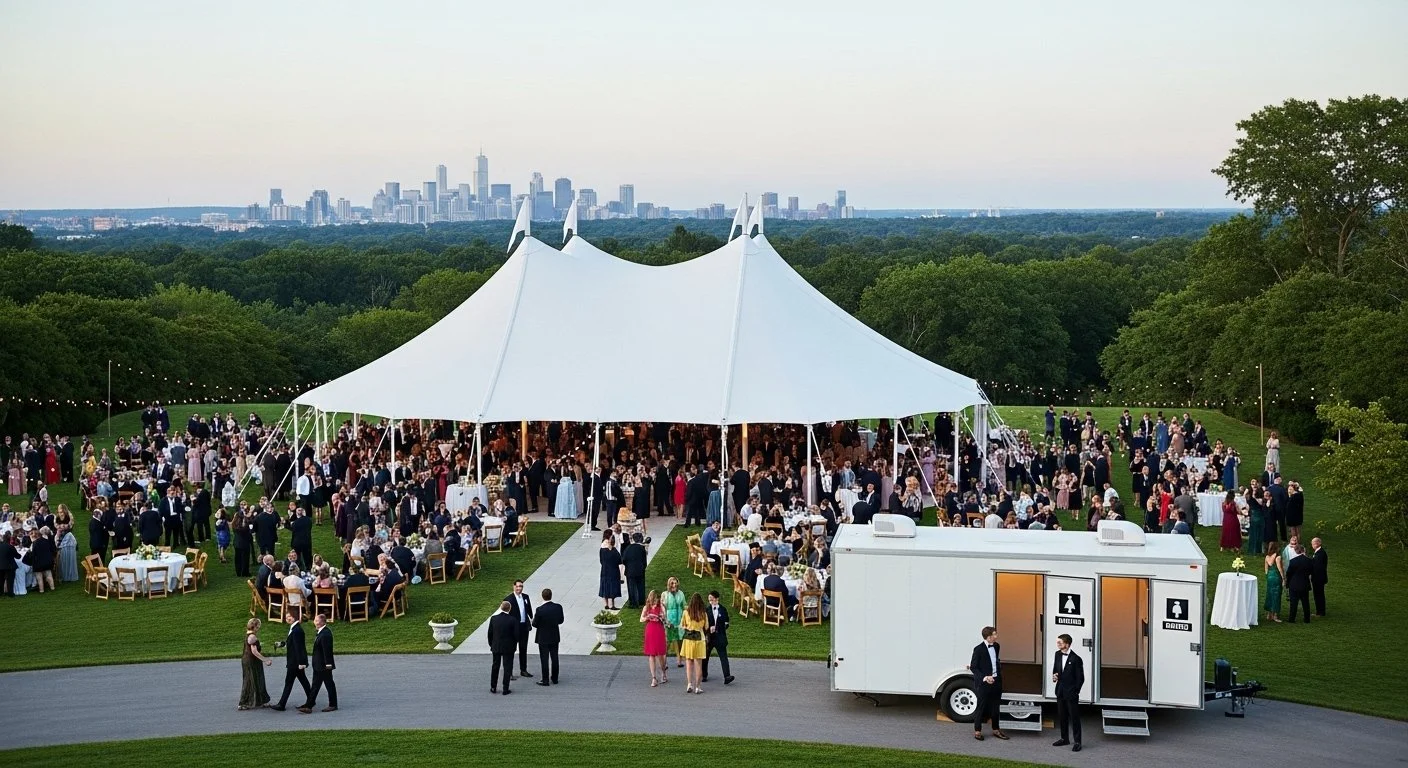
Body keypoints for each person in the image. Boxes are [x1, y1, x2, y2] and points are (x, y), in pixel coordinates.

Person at [969, 626, 1007, 741]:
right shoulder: (978, 649)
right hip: (984, 683)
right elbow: (974, 667)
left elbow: (995, 661)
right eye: (995, 634)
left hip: (997, 681)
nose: (997, 636)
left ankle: (996, 729)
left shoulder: (996, 646)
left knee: (996, 707)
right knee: (981, 706)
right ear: (989, 637)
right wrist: (985, 677)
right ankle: (977, 731)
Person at [272, 613, 312, 712]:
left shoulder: (297, 630)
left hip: (295, 662)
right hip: (296, 662)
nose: (287, 619)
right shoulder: (294, 629)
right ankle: (311, 700)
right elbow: (293, 644)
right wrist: (283, 644)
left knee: (289, 682)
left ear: (295, 617)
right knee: (303, 681)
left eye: (290, 616)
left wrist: (302, 663)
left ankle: (281, 704)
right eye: (286, 617)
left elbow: (300, 648)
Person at [1051, 633, 1084, 752]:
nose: (1058, 644)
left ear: (1067, 644)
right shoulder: (1057, 654)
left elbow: (1080, 678)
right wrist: (1054, 676)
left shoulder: (1076, 659)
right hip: (1060, 691)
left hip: (1071, 693)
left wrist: (1075, 691)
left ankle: (1078, 742)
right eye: (1057, 642)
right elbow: (1056, 669)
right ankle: (1064, 738)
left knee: (1074, 718)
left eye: (1060, 642)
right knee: (1062, 716)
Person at [303, 612, 337, 712]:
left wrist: (328, 664)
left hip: (323, 666)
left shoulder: (325, 634)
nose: (315, 622)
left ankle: (309, 706)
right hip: (320, 665)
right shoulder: (322, 632)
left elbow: (327, 651)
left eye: (317, 620)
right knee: (320, 685)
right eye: (315, 620)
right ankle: (309, 705)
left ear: (322, 622)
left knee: (322, 685)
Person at [239, 618, 273, 710]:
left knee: (252, 679)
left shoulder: (248, 634)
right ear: (255, 626)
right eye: (258, 626)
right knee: (253, 680)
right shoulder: (252, 637)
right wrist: (265, 660)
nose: (259, 628)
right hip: (252, 661)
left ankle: (260, 701)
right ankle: (243, 703)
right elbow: (254, 651)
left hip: (246, 660)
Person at [702, 589, 734, 686]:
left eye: (711, 599)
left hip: (720, 636)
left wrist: (721, 627)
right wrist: (708, 629)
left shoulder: (723, 610)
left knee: (723, 657)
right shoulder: (707, 610)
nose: (710, 601)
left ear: (716, 599)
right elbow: (704, 623)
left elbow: (727, 622)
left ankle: (727, 676)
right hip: (710, 637)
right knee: (705, 656)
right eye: (709, 599)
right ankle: (704, 674)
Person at [531, 587, 563, 686]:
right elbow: (561, 620)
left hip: (543, 637)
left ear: (542, 597)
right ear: (551, 596)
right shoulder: (558, 607)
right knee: (555, 657)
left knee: (544, 659)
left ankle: (545, 680)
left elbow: (535, 624)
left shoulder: (540, 610)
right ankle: (555, 678)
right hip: (554, 636)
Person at [504, 579, 535, 679]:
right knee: (511, 650)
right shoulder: (509, 599)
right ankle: (509, 672)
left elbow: (529, 609)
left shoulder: (526, 597)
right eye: (517, 586)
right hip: (513, 629)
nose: (519, 588)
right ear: (513, 587)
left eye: (521, 586)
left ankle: (523, 670)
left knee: (523, 649)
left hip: (524, 627)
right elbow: (505, 614)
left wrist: (532, 618)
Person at [679, 592, 708, 694]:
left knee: (689, 663)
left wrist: (688, 627)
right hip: (699, 639)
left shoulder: (686, 612)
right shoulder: (703, 613)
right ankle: (698, 686)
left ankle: (689, 684)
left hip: (688, 639)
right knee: (698, 664)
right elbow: (706, 627)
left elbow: (682, 625)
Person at [487, 600, 517, 694]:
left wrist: (491, 644)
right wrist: (514, 644)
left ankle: (493, 687)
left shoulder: (494, 619)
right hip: (508, 647)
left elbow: (490, 633)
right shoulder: (513, 620)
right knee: (507, 667)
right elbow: (516, 635)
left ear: (501, 607)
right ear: (509, 609)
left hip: (496, 646)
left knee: (495, 666)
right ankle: (505, 688)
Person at [641, 590, 668, 686]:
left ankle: (663, 672)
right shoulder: (646, 607)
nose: (657, 601)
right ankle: (654, 678)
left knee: (660, 654)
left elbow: (665, 619)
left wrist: (661, 617)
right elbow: (641, 619)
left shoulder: (661, 607)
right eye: (655, 599)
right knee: (651, 654)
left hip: (659, 629)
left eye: (658, 599)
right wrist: (647, 617)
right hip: (650, 629)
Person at [1285, 544, 1313, 624]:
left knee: (1293, 603)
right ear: (1303, 550)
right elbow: (1311, 571)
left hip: (1294, 584)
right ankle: (1307, 619)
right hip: (1304, 584)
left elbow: (1289, 573)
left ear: (1296, 551)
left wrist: (1288, 584)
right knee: (1306, 603)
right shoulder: (1309, 561)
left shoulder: (1293, 561)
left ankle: (1292, 619)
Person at [662, 577, 686, 670]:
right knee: (668, 641)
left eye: (675, 583)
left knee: (678, 639)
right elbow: (663, 607)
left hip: (678, 619)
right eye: (672, 583)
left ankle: (679, 660)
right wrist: (665, 620)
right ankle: (664, 661)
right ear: (669, 584)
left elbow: (684, 605)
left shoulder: (681, 593)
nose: (674, 585)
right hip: (669, 619)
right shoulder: (665, 594)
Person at [621, 533, 648, 608]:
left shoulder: (628, 548)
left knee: (631, 587)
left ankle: (633, 603)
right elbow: (644, 561)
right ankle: (641, 601)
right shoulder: (642, 549)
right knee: (641, 585)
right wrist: (643, 567)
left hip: (630, 570)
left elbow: (624, 559)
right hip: (640, 570)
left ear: (633, 539)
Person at [598, 529, 622, 610]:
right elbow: (619, 560)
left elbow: (601, 560)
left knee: (605, 585)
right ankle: (612, 604)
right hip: (613, 570)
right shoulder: (612, 550)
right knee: (612, 586)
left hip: (604, 569)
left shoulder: (601, 548)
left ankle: (606, 604)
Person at [1264, 540, 1284, 624]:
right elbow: (1280, 569)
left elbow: (1266, 570)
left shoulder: (1267, 557)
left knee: (1269, 594)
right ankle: (1275, 615)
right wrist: (1283, 578)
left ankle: (1269, 614)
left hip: (1270, 576)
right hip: (1276, 576)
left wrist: (1269, 575)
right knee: (1276, 595)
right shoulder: (1278, 557)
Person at [1311, 537, 1329, 617]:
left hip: (1318, 578)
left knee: (1318, 595)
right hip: (1319, 578)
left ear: (1318, 543)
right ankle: (1320, 611)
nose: (1312, 545)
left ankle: (1320, 612)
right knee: (1318, 595)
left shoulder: (1320, 553)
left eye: (1313, 543)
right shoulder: (1319, 552)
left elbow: (1317, 567)